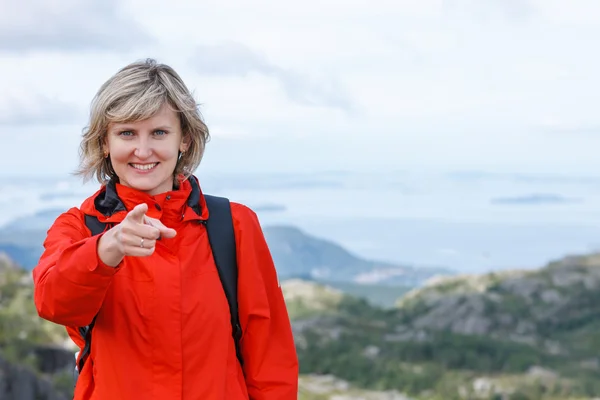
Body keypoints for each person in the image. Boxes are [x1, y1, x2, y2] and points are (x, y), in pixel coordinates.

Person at [32, 58, 299, 399]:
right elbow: (54, 304)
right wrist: (106, 249)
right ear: (104, 143)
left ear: (184, 139)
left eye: (159, 132)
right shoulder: (80, 227)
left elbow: (269, 357)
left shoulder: (234, 226)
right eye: (126, 133)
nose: (143, 151)